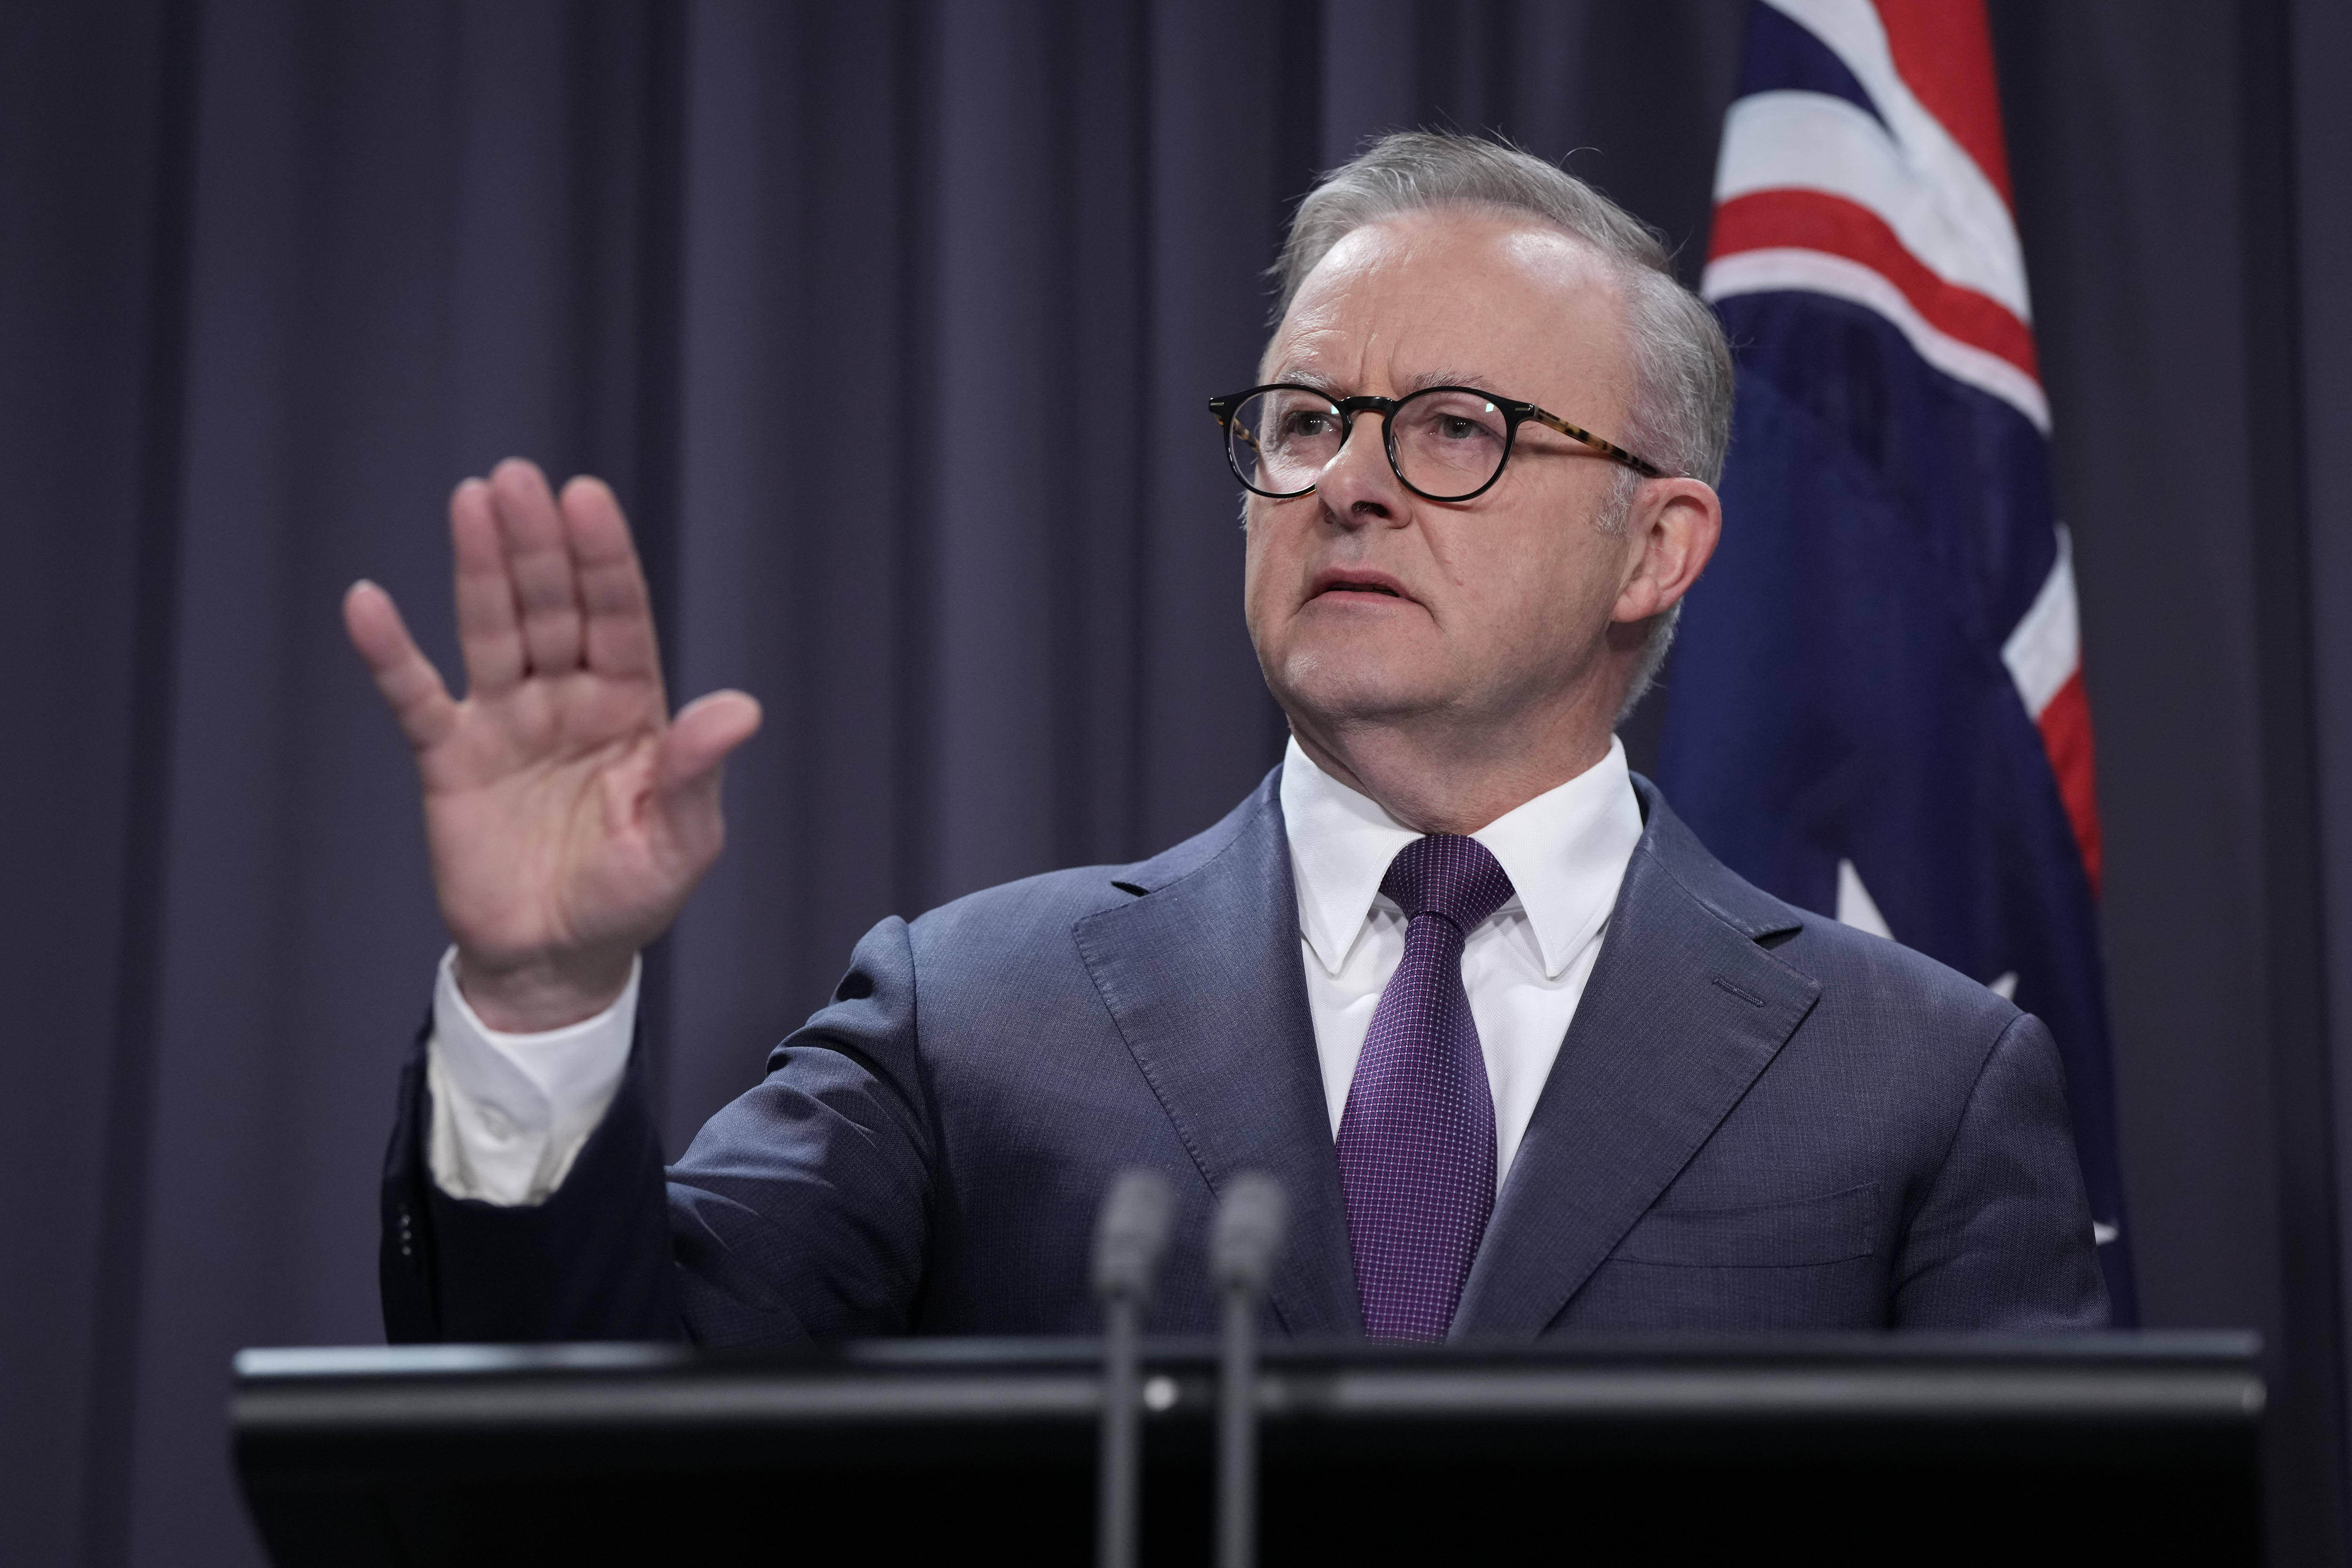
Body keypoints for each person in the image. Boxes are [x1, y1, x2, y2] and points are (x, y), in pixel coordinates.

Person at [346, 132, 2106, 1344]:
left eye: (1458, 429)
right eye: (1305, 418)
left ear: (1657, 546)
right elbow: (598, 1416)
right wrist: (545, 1001)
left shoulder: (1919, 1084)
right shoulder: (972, 1020)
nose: (1346, 482)